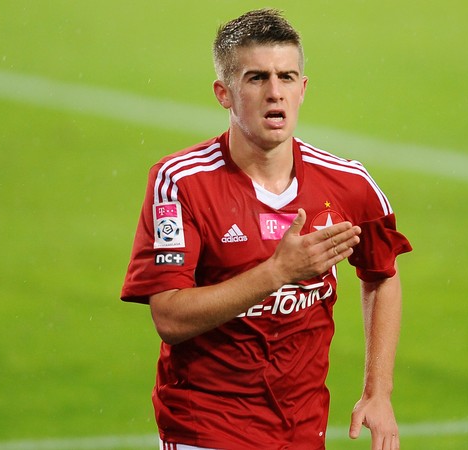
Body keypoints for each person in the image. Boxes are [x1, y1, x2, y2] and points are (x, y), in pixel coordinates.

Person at [121, 8, 412, 450]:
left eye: (286, 77)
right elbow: (169, 317)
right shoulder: (180, 182)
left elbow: (382, 274)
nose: (275, 93)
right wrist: (277, 273)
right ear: (224, 93)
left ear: (303, 88)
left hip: (302, 432)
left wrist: (378, 392)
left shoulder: (348, 183)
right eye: (257, 78)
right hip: (206, 430)